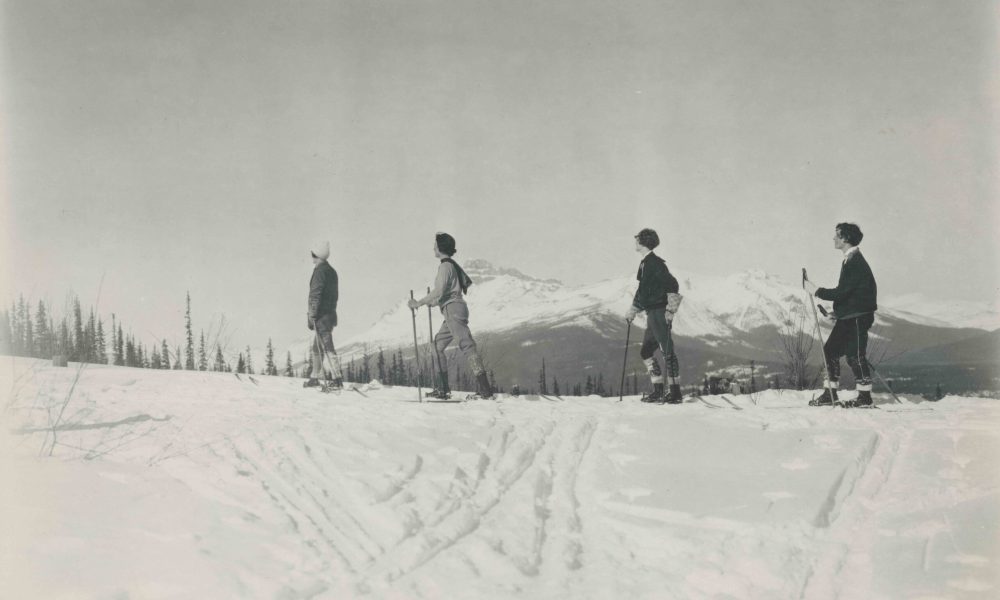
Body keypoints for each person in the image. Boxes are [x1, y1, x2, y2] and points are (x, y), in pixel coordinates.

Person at [408, 232, 493, 400]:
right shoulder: (449, 265)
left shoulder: (445, 266)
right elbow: (446, 292)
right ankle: (443, 389)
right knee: (437, 346)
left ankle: (485, 391)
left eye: (435, 245)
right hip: (451, 309)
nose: (433, 247)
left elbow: (440, 290)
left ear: (440, 247)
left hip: (453, 310)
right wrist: (434, 302)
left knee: (467, 346)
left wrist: (420, 302)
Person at [804, 222, 878, 407]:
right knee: (830, 351)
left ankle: (864, 398)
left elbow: (842, 292)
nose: (834, 238)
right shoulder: (851, 259)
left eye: (837, 235)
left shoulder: (855, 262)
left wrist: (815, 291)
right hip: (850, 316)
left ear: (845, 238)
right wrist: (838, 312)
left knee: (855, 355)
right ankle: (830, 394)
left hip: (858, 318)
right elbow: (852, 294)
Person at [625, 228, 683, 404]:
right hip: (652, 312)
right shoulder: (646, 263)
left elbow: (673, 284)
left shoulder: (654, 263)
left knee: (667, 352)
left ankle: (675, 393)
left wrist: (670, 310)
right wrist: (633, 310)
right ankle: (658, 389)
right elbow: (643, 291)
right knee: (646, 351)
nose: (635, 241)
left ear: (643, 242)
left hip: (658, 312)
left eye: (637, 239)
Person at [304, 241, 343, 389]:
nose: (312, 257)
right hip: (330, 314)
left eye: (313, 254)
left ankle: (337, 379)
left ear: (317, 255)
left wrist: (312, 314)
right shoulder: (331, 271)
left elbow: (315, 294)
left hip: (321, 315)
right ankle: (314, 377)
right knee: (317, 347)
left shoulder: (319, 271)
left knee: (327, 346)